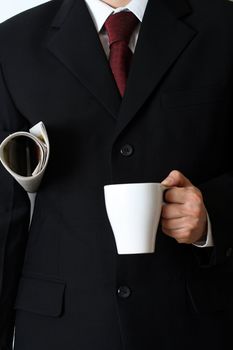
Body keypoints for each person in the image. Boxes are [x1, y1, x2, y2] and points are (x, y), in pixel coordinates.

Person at [0, 0, 233, 349]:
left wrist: (214, 213)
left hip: (194, 321)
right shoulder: (13, 42)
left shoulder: (224, 27)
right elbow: (3, 211)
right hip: (64, 327)